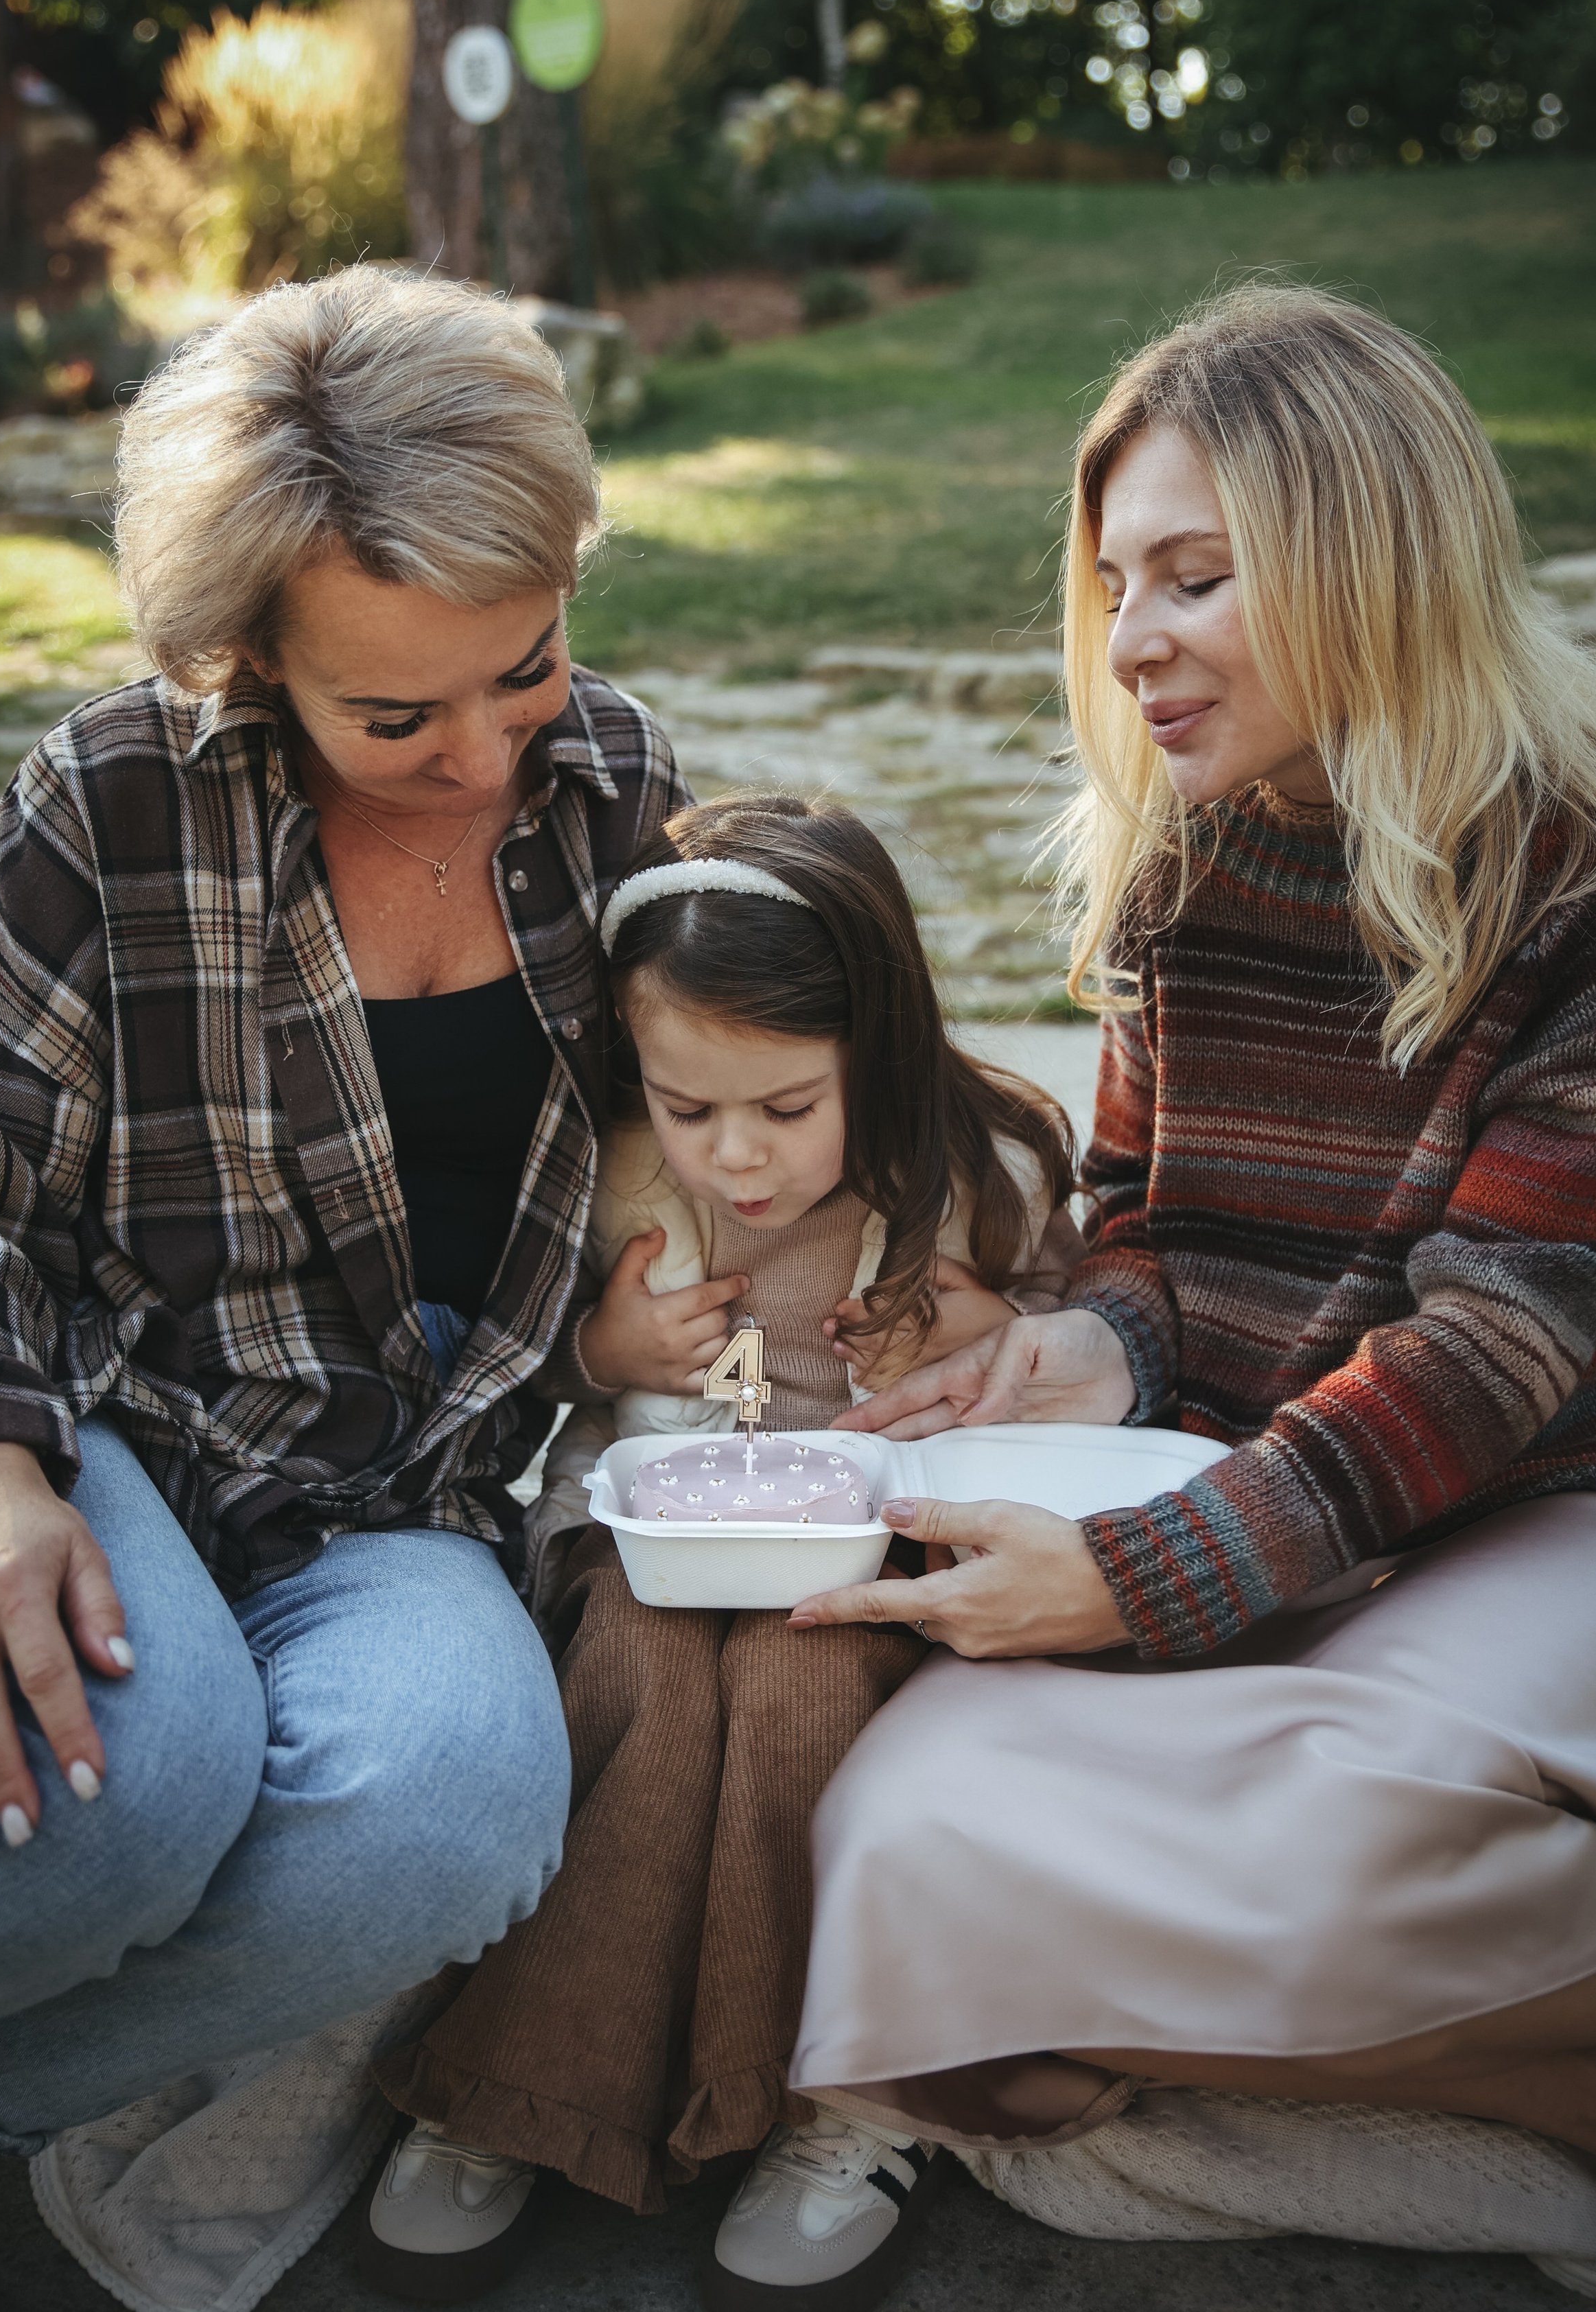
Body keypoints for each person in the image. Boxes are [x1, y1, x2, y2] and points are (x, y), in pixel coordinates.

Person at [778, 285, 1596, 2277]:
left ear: (1373, 557)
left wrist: (1137, 1573)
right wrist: (1076, 1357)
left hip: (1567, 1502)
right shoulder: (1177, 864)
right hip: (1256, 1484)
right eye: (1116, 584)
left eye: (1196, 578)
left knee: (1340, 1835)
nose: (1132, 645)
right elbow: (1156, 1241)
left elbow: (1489, 1356)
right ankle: (1573, 2085)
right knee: (897, 1848)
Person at [0, 267, 685, 2168]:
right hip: (113, 1417)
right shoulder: (108, 806)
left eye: (527, 662)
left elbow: (726, 1111)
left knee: (456, 1810)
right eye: (396, 710)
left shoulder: (620, 794)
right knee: (122, 1790)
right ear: (251, 653)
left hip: (391, 1488)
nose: (491, 754)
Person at [361, 795, 1083, 2307]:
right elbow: (511, 1361)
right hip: (639, 1533)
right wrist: (599, 1344)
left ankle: (837, 2106)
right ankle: (524, 2088)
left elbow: (1056, 1370)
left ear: (873, 1058)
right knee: (638, 1680)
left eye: (784, 1107)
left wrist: (991, 1331)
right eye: (690, 1111)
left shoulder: (968, 1175)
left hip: (864, 1552)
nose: (736, 1161)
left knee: (804, 1696)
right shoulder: (612, 1173)